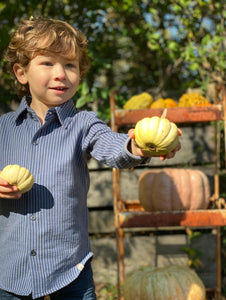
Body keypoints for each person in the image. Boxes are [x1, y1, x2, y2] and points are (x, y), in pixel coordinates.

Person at [0, 17, 181, 300]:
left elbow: (112, 146)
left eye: (70, 65)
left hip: (70, 268)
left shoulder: (83, 123)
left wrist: (139, 146)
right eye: (47, 63)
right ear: (21, 73)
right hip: (10, 270)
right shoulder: (3, 129)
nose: (61, 73)